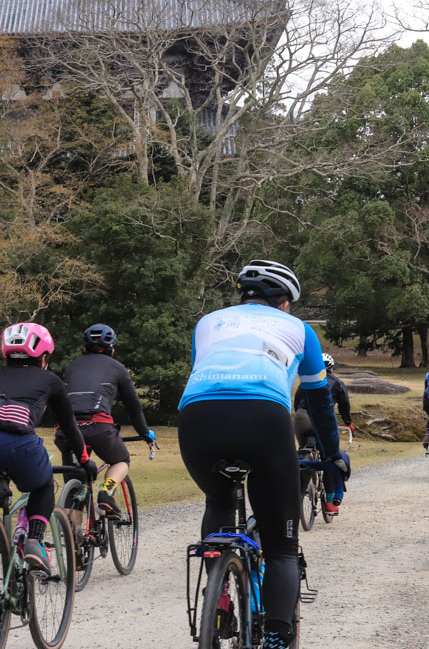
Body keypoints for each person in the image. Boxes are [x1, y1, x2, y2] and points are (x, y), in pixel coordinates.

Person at [178, 259, 344, 649]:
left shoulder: (208, 323)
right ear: (285, 303)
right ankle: (276, 637)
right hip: (264, 417)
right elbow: (319, 405)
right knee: (281, 548)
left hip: (197, 417)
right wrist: (334, 456)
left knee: (218, 497)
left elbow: (205, 374)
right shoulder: (300, 330)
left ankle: (217, 600)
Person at [0, 321, 95, 637]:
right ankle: (33, 537)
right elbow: (70, 427)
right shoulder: (50, 379)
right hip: (19, 445)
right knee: (43, 483)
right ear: (43, 355)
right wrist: (85, 461)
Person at [54, 323, 155, 518]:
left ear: (84, 348)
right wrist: (144, 432)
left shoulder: (72, 366)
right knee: (121, 460)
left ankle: (72, 542)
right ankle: (106, 492)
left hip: (67, 431)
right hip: (98, 428)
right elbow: (134, 407)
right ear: (112, 350)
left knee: (75, 488)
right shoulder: (118, 368)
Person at [293, 352, 352, 513]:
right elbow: (344, 405)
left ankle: (298, 491)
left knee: (302, 452)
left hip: (301, 417)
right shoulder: (337, 383)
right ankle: (330, 503)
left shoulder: (305, 382)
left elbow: (297, 402)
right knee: (330, 459)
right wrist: (349, 422)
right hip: (322, 419)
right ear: (331, 367)